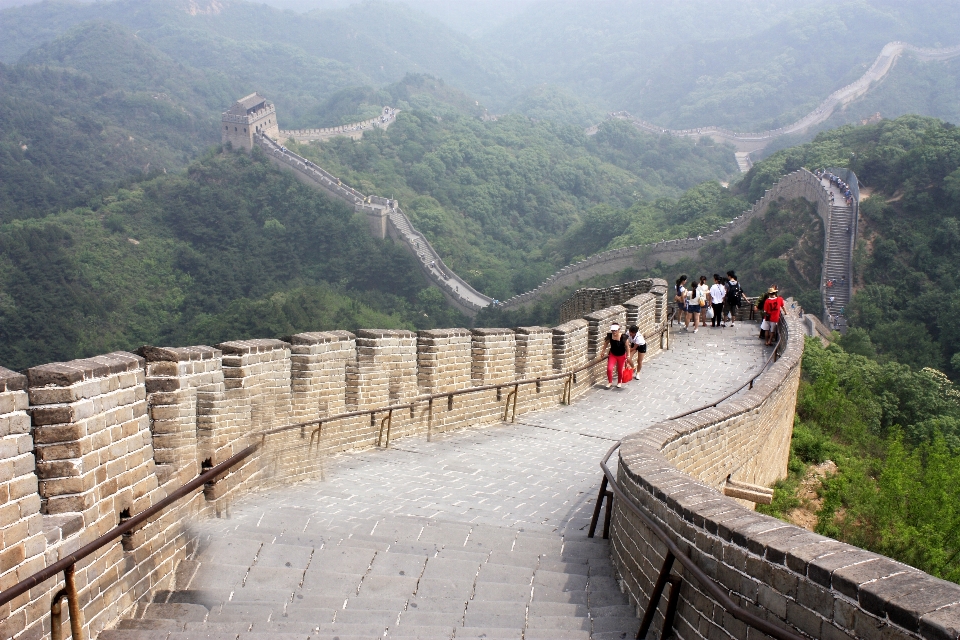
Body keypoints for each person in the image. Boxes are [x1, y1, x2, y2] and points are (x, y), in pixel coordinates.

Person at [602, 323, 628, 389]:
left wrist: (629, 355)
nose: (614, 332)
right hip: (613, 354)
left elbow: (627, 347)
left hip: (621, 355)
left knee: (619, 370)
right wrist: (603, 351)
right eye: (612, 330)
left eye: (615, 330)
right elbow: (606, 343)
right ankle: (610, 382)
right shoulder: (610, 336)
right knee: (609, 369)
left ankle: (619, 382)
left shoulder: (623, 337)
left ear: (619, 330)